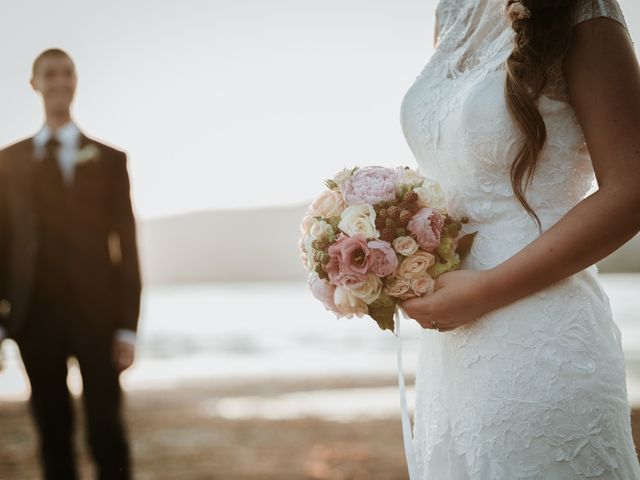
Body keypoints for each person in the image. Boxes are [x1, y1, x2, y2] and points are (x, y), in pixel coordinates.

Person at [398, 0, 640, 477]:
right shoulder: (453, 12)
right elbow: (457, 173)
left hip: (541, 334)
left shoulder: (581, 9)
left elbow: (632, 188)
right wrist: (398, 246)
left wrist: (486, 289)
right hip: (452, 344)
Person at [0, 48, 142, 480]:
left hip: (97, 315)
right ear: (34, 83)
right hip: (33, 316)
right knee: (52, 430)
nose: (60, 81)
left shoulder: (110, 160)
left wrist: (127, 326)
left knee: (106, 427)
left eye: (67, 73)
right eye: (50, 74)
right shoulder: (7, 162)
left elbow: (128, 246)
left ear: (75, 81)